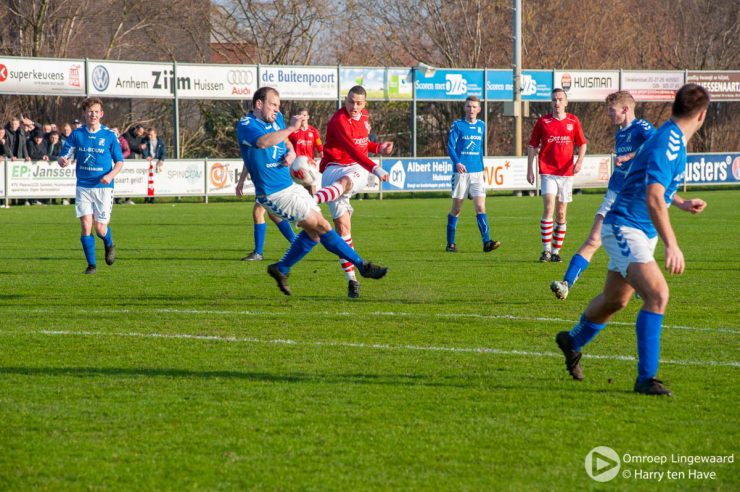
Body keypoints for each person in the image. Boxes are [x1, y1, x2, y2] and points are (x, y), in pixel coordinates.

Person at [554, 84, 709, 396]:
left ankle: (571, 341)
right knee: (658, 295)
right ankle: (646, 379)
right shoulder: (669, 142)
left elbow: (653, 183)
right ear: (702, 115)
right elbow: (653, 197)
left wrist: (680, 203)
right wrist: (672, 244)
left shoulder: (668, 138)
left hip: (639, 229)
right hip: (625, 227)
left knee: (616, 300)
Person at [236, 86, 388, 296]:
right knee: (323, 226)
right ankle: (362, 266)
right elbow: (262, 143)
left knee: (314, 234)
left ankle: (281, 268)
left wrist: (290, 152)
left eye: (278, 105)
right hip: (273, 193)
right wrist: (291, 128)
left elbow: (286, 143)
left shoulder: (277, 118)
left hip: (291, 186)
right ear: (259, 104)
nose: (276, 109)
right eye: (273, 105)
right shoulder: (246, 124)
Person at [551, 91, 655, 299]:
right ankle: (566, 284)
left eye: (612, 110)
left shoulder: (642, 127)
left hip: (635, 196)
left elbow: (656, 145)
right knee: (593, 239)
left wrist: (630, 156)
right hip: (614, 193)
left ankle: (642, 282)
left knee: (638, 242)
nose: (608, 114)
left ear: (625, 109)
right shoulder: (620, 133)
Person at [312, 85, 393, 298]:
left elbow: (362, 145)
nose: (354, 106)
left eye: (358, 103)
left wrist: (378, 148)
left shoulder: (364, 116)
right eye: (350, 102)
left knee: (346, 181)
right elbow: (351, 149)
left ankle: (312, 200)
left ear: (364, 104)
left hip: (355, 168)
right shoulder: (338, 120)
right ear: (345, 100)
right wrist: (376, 168)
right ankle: (352, 281)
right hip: (332, 169)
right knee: (343, 229)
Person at [58, 97, 124, 274]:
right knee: (86, 226)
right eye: (89, 112)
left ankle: (109, 243)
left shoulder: (109, 135)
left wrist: (110, 176)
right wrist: (62, 161)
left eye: (96, 112)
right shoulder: (77, 134)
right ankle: (91, 265)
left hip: (103, 187)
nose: (93, 115)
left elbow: (119, 162)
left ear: (101, 114)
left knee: (100, 228)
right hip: (83, 186)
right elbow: (64, 155)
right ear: (85, 114)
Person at [527, 89, 587, 262]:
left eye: (560, 99)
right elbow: (532, 146)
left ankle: (555, 251)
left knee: (561, 214)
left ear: (566, 102)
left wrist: (579, 161)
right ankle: (546, 250)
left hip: (566, 173)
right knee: (549, 208)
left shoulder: (573, 121)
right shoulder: (543, 121)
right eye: (554, 99)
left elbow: (582, 144)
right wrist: (529, 169)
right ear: (551, 102)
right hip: (548, 171)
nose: (557, 102)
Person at [445, 95, 501, 254]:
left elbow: (479, 150)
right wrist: (457, 162)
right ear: (465, 108)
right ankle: (450, 243)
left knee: (481, 207)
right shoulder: (458, 125)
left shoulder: (482, 125)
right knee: (456, 209)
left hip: (477, 173)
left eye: (474, 107)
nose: (471, 109)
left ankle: (487, 242)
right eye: (469, 106)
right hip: (461, 173)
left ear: (479, 109)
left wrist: (482, 170)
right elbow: (450, 146)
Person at [287, 107, 324, 195]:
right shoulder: (293, 131)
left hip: (309, 164)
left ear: (308, 117)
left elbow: (318, 143)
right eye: (300, 115)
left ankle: (313, 201)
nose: (302, 117)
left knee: (311, 185)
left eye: (304, 115)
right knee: (297, 188)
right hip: (297, 164)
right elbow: (285, 140)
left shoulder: (313, 131)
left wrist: (321, 152)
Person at [141, 127, 166, 203]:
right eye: (148, 135)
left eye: (151, 135)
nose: (149, 136)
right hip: (147, 163)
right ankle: (146, 198)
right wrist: (146, 156)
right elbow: (144, 150)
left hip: (156, 163)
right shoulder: (144, 140)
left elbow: (163, 152)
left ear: (155, 134)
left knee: (155, 181)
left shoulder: (160, 142)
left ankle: (153, 198)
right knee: (146, 180)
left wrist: (161, 159)